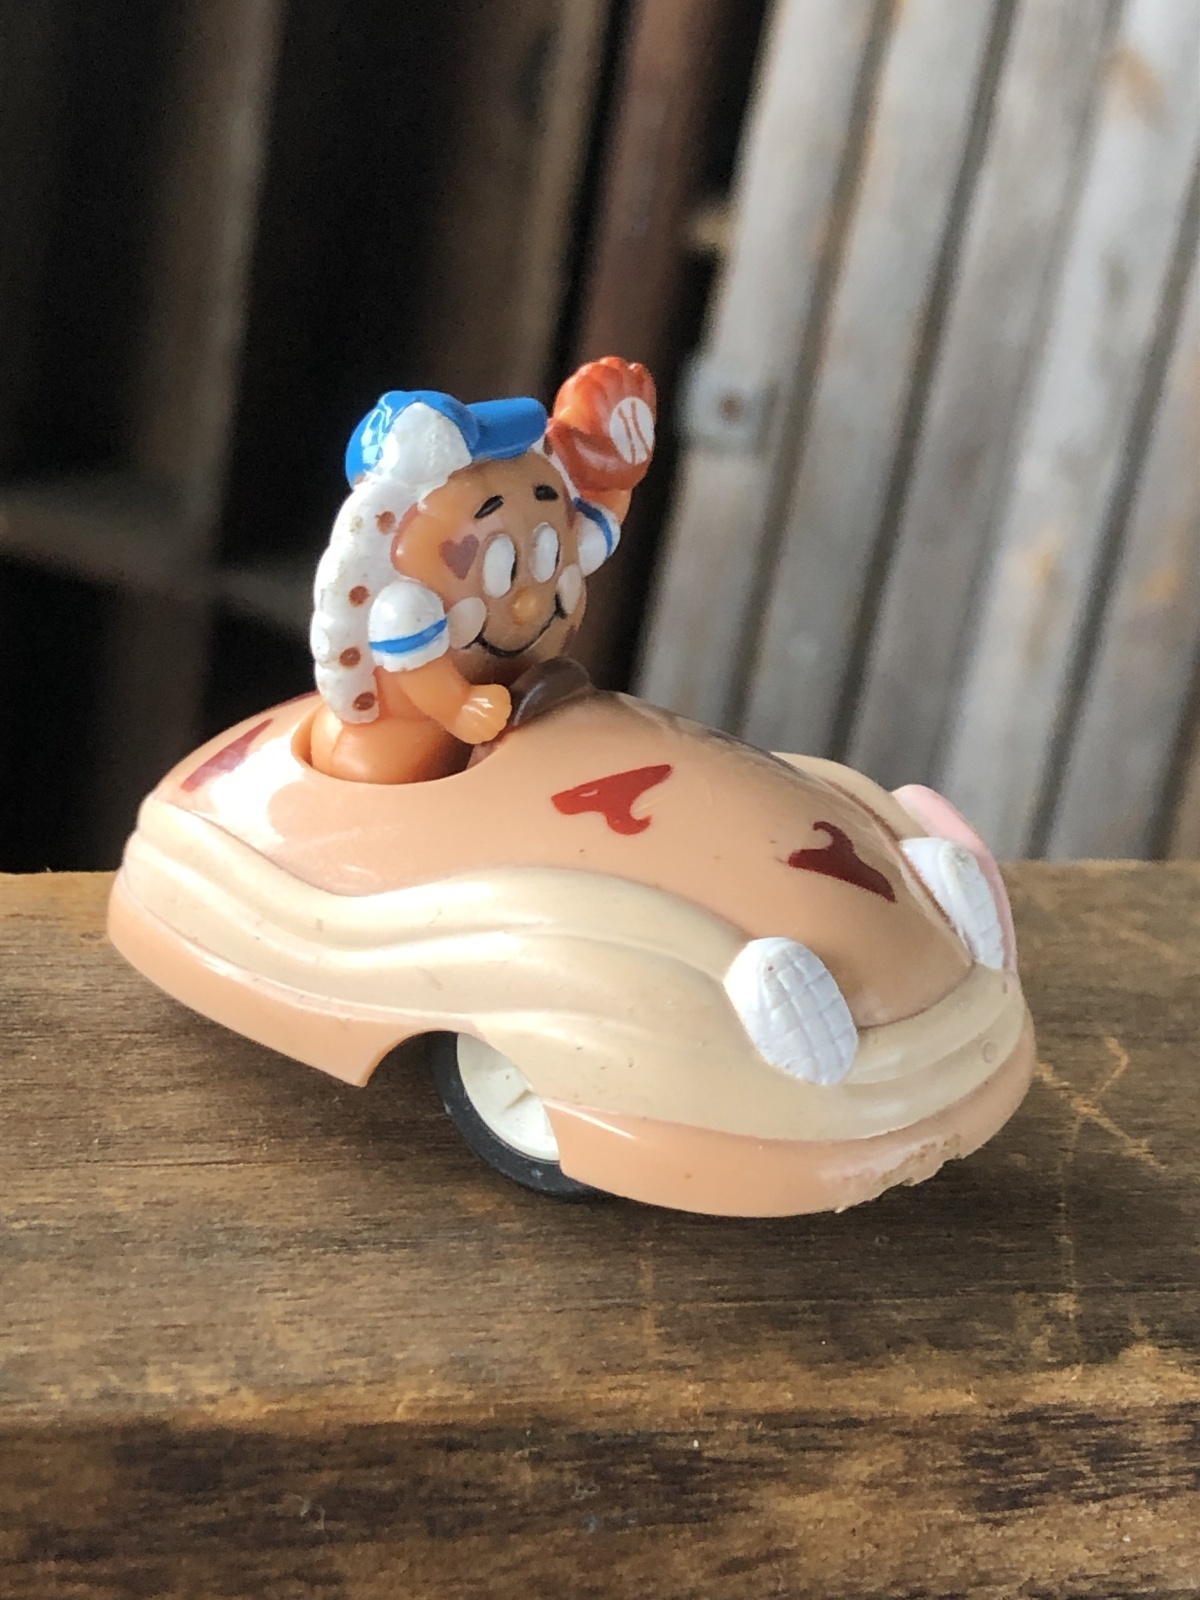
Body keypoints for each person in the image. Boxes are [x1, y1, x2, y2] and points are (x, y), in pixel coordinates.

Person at [308, 358, 656, 784]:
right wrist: (457, 706)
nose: (529, 605)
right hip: (421, 734)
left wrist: (615, 468)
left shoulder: (552, 522)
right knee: (378, 766)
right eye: (502, 566)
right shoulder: (405, 603)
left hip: (529, 706)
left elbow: (599, 523)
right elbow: (414, 663)